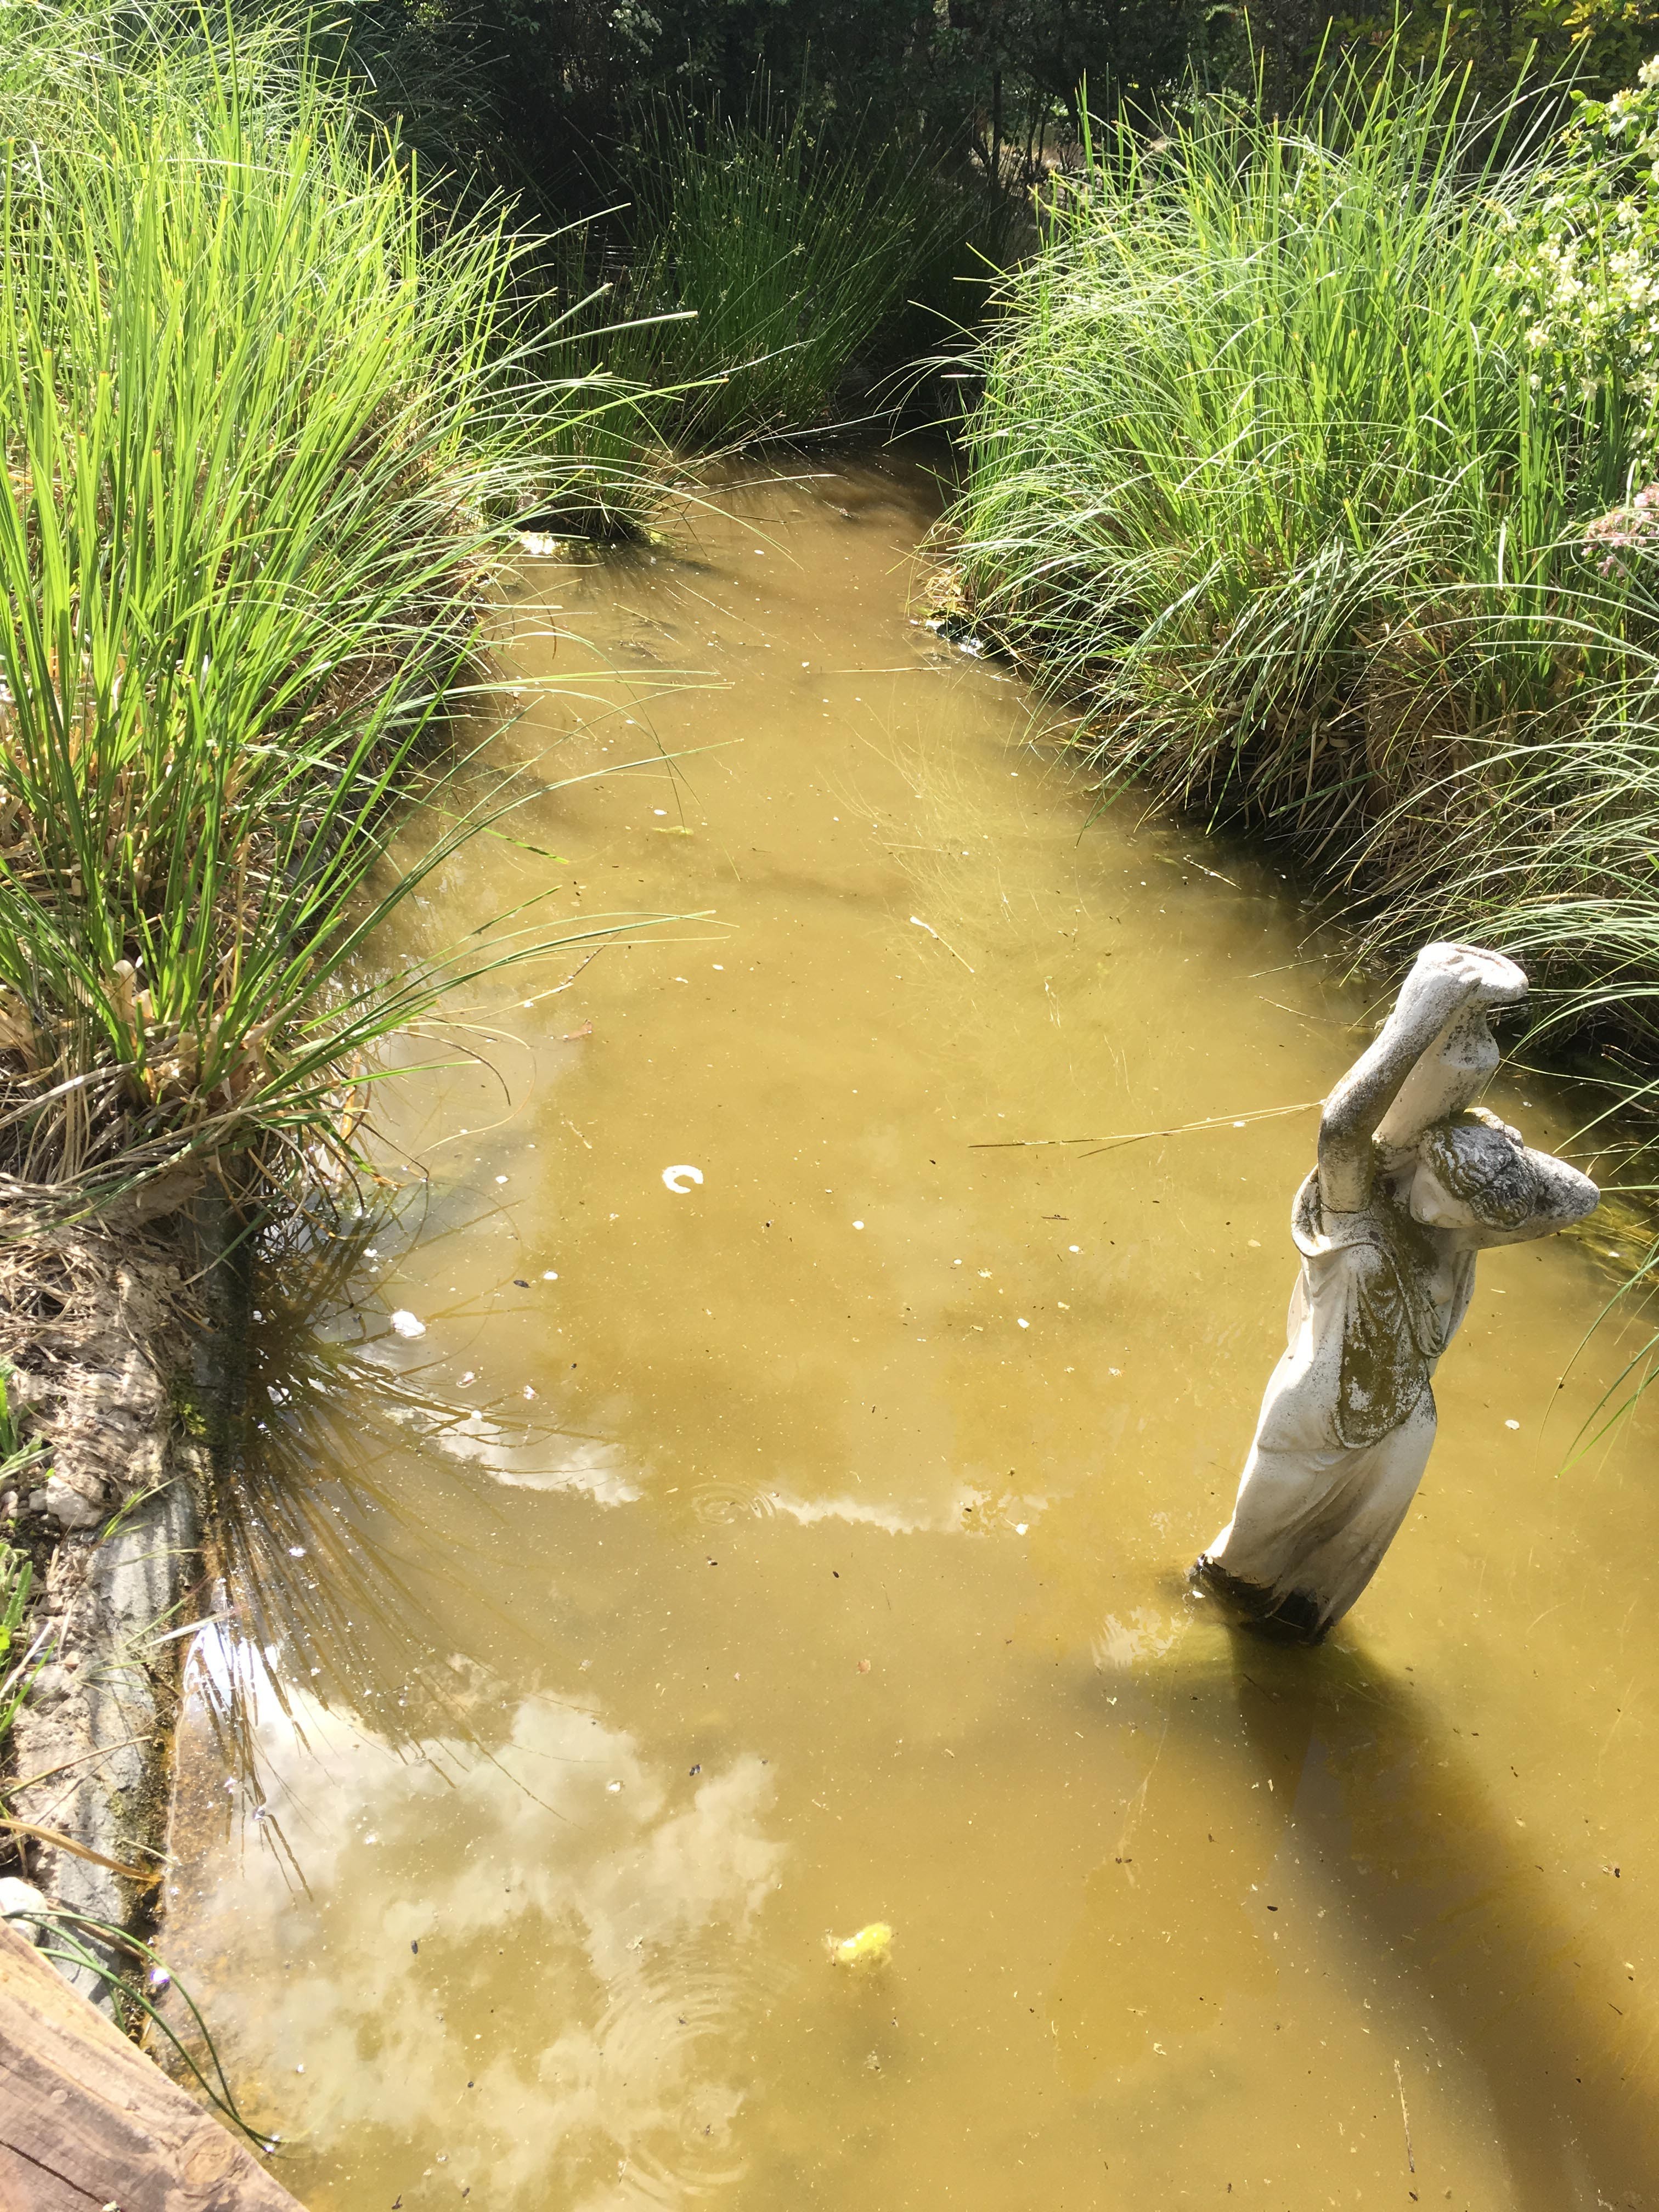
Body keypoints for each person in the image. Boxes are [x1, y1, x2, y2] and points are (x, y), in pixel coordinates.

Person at [1192, 941, 1599, 1641]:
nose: (1436, 1214)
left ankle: (1289, 1646)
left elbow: (1579, 1199)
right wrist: (1421, 1012)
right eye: (1434, 1192)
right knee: (1240, 1561)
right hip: (1315, 1419)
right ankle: (1211, 1624)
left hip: (1405, 1421)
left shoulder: (1457, 1240)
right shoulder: (1355, 1215)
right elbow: (1342, 1129)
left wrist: (1497, 1149)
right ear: (1415, 1162)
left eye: (1457, 1212)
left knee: (1326, 1578)